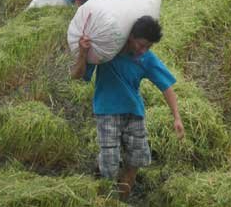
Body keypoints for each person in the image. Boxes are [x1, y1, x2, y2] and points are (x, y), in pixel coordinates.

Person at [70, 16, 184, 201]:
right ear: (130, 36)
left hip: (134, 113)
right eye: (141, 44)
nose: (143, 50)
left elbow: (166, 87)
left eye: (148, 47)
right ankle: (103, 187)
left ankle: (120, 200)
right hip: (107, 112)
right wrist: (83, 53)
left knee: (136, 159)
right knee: (110, 164)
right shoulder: (106, 51)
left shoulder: (146, 58)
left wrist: (177, 117)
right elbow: (77, 75)